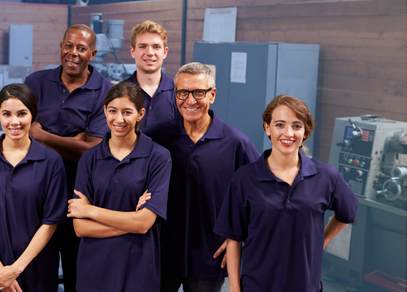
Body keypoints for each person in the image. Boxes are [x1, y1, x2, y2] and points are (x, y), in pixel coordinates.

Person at [214, 95, 358, 292]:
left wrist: (321, 241)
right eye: (280, 124)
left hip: (306, 286)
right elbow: (234, 238)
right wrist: (234, 288)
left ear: (306, 131)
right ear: (267, 128)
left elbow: (347, 212)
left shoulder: (326, 176)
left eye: (297, 126)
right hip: (257, 286)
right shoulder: (244, 179)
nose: (288, 133)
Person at [144, 62, 260, 292]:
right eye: (182, 92)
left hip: (209, 255)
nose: (190, 100)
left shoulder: (236, 143)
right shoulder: (155, 136)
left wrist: (238, 237)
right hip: (160, 251)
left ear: (212, 94)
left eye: (199, 92)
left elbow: (261, 194)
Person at [23, 24, 114, 291]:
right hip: (36, 195)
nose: (73, 53)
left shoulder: (105, 92)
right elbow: (22, 135)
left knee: (78, 274)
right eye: (69, 45)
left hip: (79, 196)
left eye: (81, 48)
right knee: (38, 273)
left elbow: (93, 150)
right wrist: (76, 139)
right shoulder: (35, 82)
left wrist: (43, 136)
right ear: (61, 46)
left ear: (93, 54)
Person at [67, 81, 172, 292]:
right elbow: (80, 228)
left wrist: (91, 211)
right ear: (104, 111)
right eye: (112, 111)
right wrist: (131, 221)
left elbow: (143, 224)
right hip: (94, 269)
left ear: (140, 114)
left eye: (127, 112)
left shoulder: (158, 156)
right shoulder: (89, 159)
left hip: (138, 268)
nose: (119, 119)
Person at [0, 84, 68, 292]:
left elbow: (50, 223)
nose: (14, 122)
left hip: (36, 268)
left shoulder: (51, 161)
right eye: (7, 114)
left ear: (33, 115)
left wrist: (16, 269)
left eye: (22, 114)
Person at [124, 20, 177, 131]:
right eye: (143, 46)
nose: (150, 53)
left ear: (165, 52)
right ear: (132, 51)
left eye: (156, 47)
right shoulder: (119, 93)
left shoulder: (179, 93)